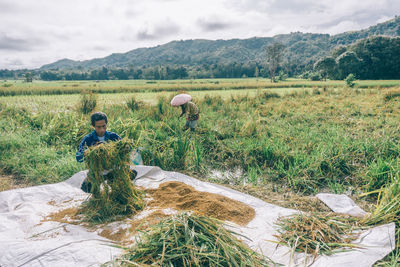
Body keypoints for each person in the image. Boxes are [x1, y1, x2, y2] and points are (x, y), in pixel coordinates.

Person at [76, 112, 137, 192]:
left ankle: (117, 188)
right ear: (93, 126)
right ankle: (96, 194)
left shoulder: (113, 136)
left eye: (103, 126)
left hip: (113, 169)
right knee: (87, 187)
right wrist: (84, 153)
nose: (102, 129)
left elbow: (127, 148)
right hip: (97, 171)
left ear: (106, 124)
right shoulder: (88, 139)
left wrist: (126, 148)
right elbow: (78, 157)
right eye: (98, 127)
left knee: (130, 175)